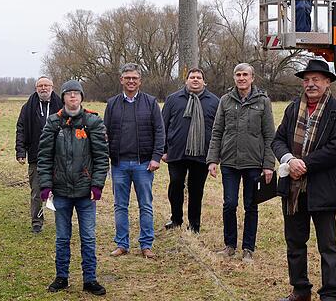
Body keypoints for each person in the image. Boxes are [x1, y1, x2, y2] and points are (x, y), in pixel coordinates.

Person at [271, 58, 336, 301]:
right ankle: (300, 289)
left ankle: (329, 293)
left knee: (327, 245)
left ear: (327, 82)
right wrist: (288, 159)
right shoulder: (293, 108)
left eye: (316, 79)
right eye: (307, 80)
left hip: (323, 187)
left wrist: (303, 164)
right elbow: (278, 140)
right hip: (293, 188)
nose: (311, 84)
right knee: (295, 242)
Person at [37, 80, 108, 296]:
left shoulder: (93, 122)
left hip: (86, 192)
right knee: (62, 237)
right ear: (64, 98)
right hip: (61, 192)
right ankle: (62, 277)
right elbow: (44, 156)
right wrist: (46, 185)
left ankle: (90, 279)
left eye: (77, 94)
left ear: (81, 98)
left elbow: (101, 157)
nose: (73, 98)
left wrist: (96, 184)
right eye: (69, 94)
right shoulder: (53, 123)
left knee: (88, 236)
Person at [206, 63, 276, 263]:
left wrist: (268, 164)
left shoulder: (263, 101)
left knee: (251, 206)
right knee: (229, 204)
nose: (242, 78)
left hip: (254, 162)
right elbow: (217, 131)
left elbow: (269, 135)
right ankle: (229, 246)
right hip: (229, 162)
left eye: (245, 74)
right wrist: (213, 159)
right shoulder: (225, 101)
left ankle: (248, 249)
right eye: (238, 74)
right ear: (234, 77)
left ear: (252, 78)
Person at [104, 63, 165, 259]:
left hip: (144, 164)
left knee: (145, 205)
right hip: (119, 164)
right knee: (120, 205)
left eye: (134, 78)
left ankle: (146, 245)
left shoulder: (150, 102)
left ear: (140, 81)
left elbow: (160, 132)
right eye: (127, 78)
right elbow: (104, 133)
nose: (131, 81)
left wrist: (156, 157)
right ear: (121, 80)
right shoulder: (112, 104)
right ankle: (122, 244)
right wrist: (106, 158)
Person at [161, 68, 220, 233]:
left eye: (199, 77)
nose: (195, 80)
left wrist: (215, 156)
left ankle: (194, 225)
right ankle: (176, 219)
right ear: (186, 80)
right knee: (176, 184)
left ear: (204, 82)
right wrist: (163, 150)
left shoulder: (214, 101)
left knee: (196, 190)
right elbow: (162, 125)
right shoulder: (173, 99)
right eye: (192, 77)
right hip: (176, 152)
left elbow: (219, 129)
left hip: (202, 154)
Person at [15, 76, 63, 233]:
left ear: (52, 87)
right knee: (36, 191)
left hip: (60, 156)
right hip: (36, 155)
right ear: (36, 88)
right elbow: (21, 129)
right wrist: (20, 151)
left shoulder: (62, 105)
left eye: (46, 85)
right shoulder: (28, 107)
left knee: (60, 190)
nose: (43, 88)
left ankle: (61, 222)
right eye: (40, 86)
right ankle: (37, 222)